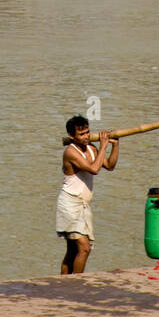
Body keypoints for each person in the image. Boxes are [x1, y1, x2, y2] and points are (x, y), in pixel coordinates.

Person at [56, 116, 119, 274]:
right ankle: (77, 283)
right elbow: (94, 169)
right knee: (84, 248)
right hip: (70, 204)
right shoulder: (70, 152)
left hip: (83, 205)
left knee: (72, 251)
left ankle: (63, 284)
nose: (86, 137)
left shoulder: (91, 148)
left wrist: (115, 145)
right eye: (81, 134)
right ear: (72, 137)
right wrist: (104, 145)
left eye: (87, 132)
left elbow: (109, 166)